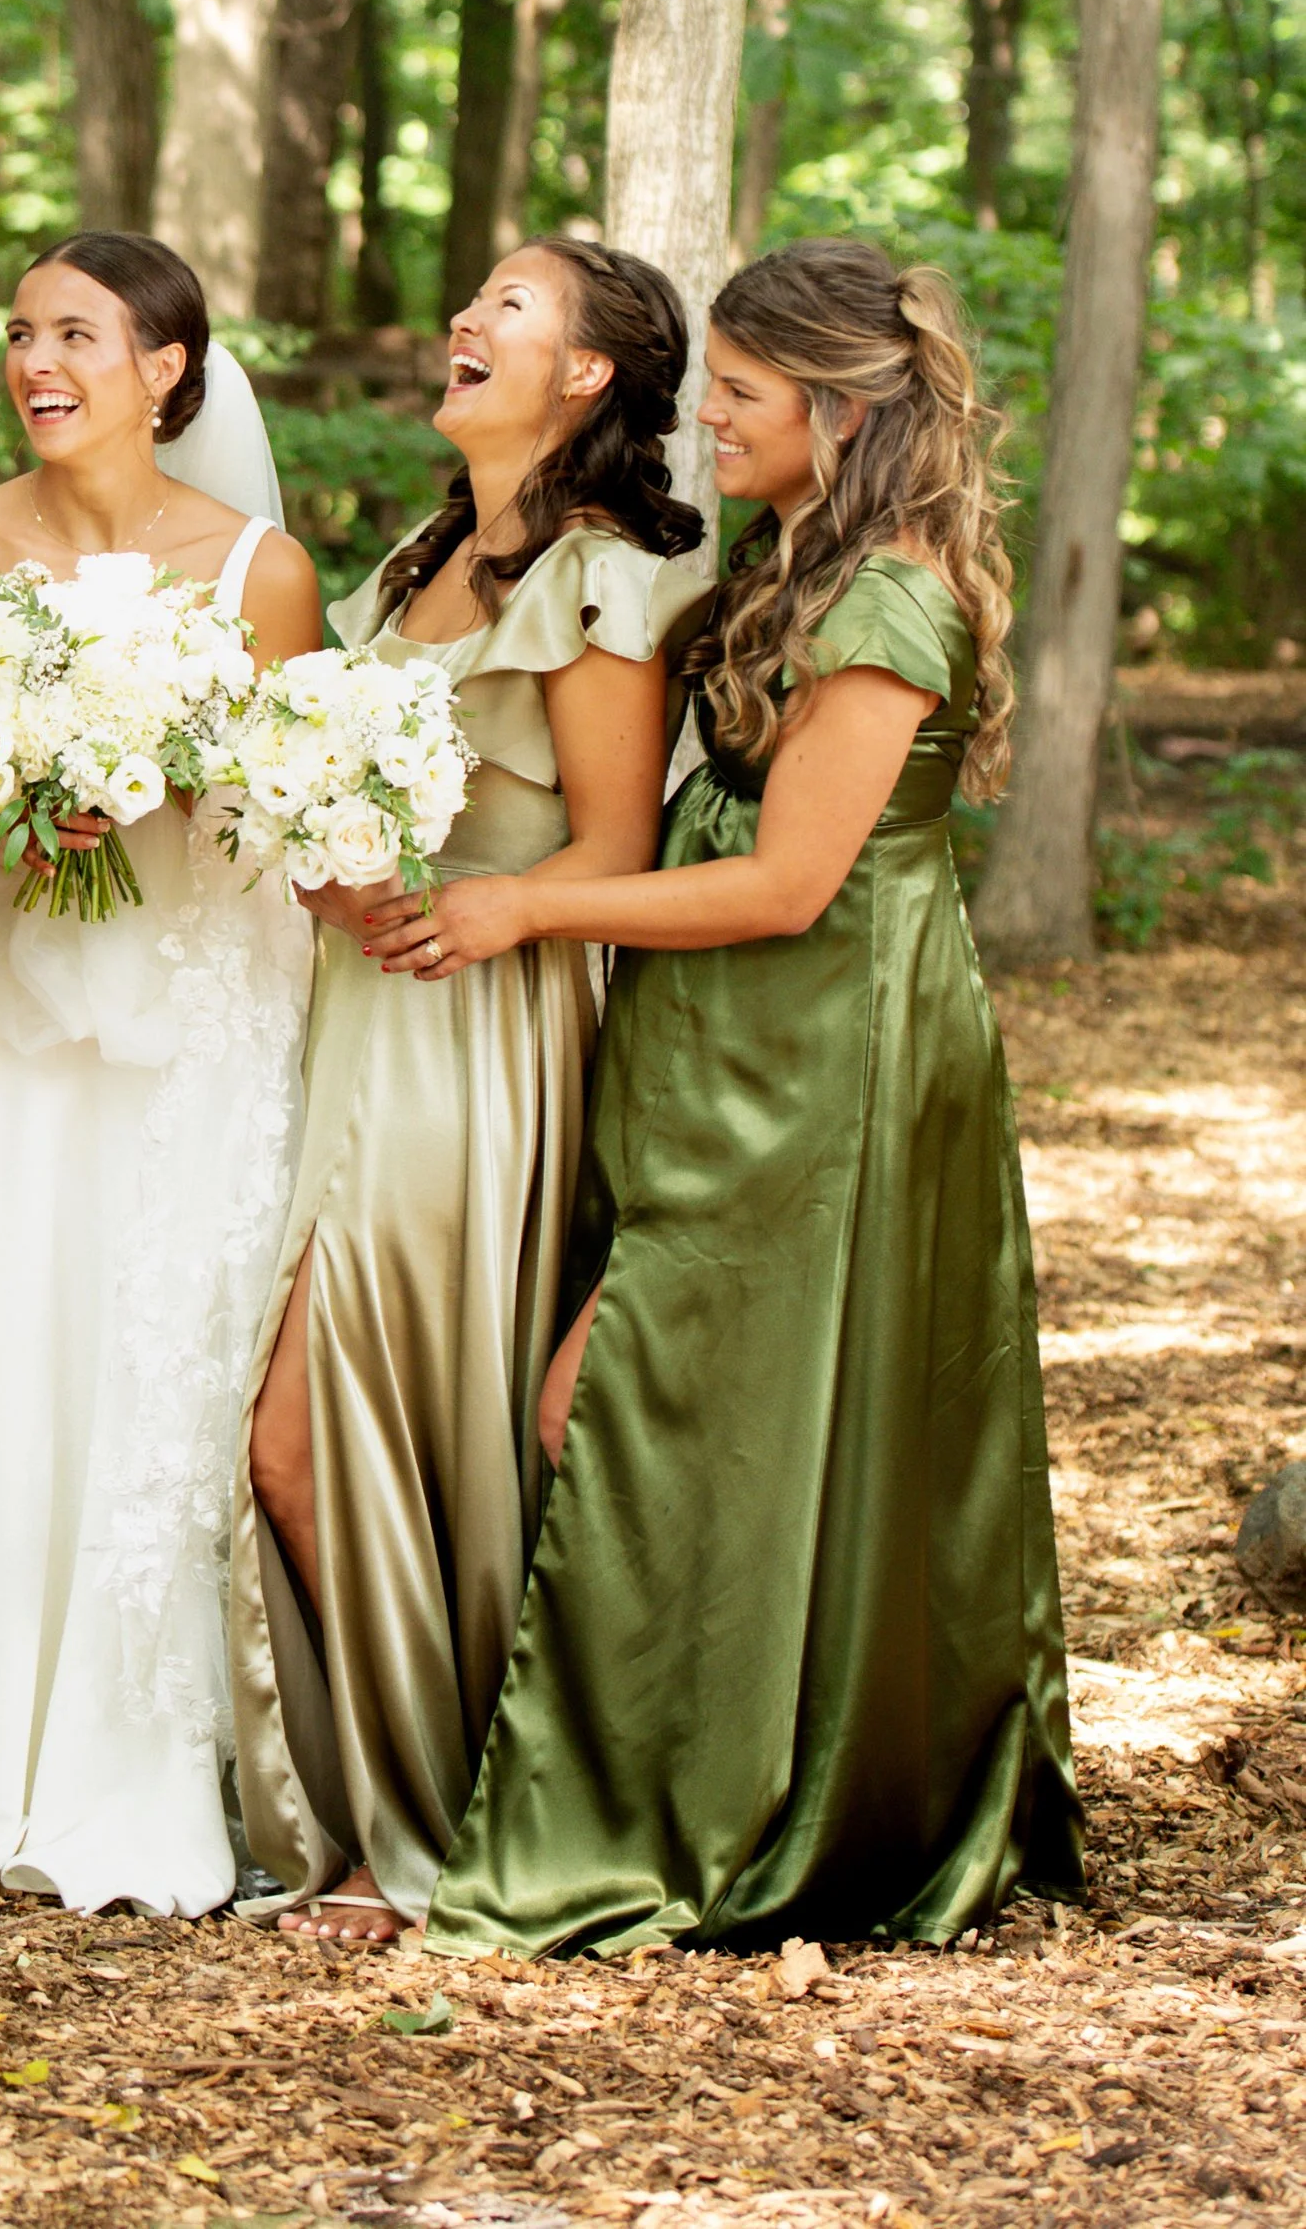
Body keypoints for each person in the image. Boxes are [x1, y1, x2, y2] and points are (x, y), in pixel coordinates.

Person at [427, 238, 1084, 1958]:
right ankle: (687, 1785)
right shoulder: (795, 564)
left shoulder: (892, 597)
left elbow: (794, 881)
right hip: (724, 1048)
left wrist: (530, 904)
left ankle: (710, 1811)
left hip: (823, 1058)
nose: (709, 416)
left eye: (743, 391)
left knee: (637, 1399)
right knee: (687, 1415)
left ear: (846, 408)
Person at [0, 232, 321, 1919]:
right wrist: (10, 811)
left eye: (76, 333)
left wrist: (171, 794)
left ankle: (137, 1762)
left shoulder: (262, 575)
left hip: (193, 1006)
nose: (37, 359)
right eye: (20, 329)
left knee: (153, 1349)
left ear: (167, 367)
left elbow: (297, 811)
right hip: (2, 998)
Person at [233, 238, 709, 1945]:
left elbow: (613, 849)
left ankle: (419, 1832)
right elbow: (328, 799)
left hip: (481, 1041)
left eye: (511, 306)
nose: (466, 321)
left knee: (320, 1431)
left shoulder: (595, 582)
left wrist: (488, 902)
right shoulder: (411, 565)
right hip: (356, 1012)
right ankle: (373, 1809)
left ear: (589, 376)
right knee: (319, 1426)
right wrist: (329, 866)